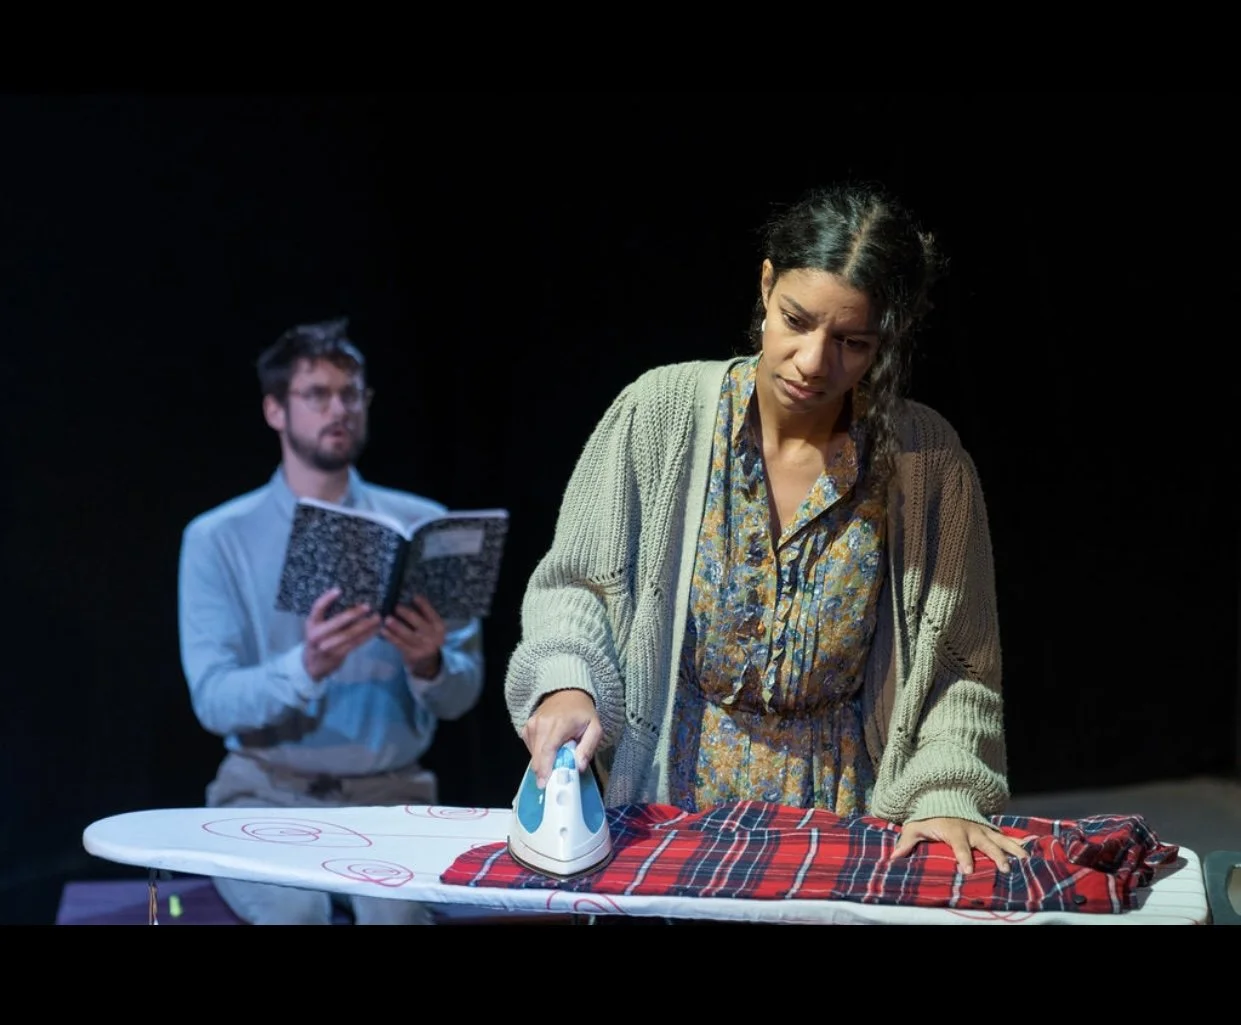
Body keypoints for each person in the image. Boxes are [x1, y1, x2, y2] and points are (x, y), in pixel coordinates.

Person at [505, 182, 1030, 888]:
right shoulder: (660, 414)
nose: (813, 361)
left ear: (887, 341)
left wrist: (945, 789)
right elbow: (577, 587)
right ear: (764, 285)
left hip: (844, 828)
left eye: (851, 342)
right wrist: (565, 686)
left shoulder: (925, 462)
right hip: (666, 814)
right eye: (796, 320)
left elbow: (961, 669)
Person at [178, 316, 484, 925]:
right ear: (275, 410)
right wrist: (306, 665)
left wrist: (429, 663)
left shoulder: (423, 523)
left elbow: (463, 691)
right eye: (316, 394)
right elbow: (214, 699)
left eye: (351, 394)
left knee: (394, 918)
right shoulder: (218, 538)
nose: (337, 409)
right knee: (296, 916)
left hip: (391, 797)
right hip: (265, 797)